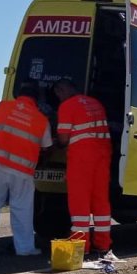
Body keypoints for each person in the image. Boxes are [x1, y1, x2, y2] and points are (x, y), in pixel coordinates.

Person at [0, 82, 51, 256]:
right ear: (36, 99)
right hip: (23, 171)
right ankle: (24, 248)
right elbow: (47, 145)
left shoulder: (2, 107)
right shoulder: (41, 119)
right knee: (22, 209)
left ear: (18, 94)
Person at [52, 79, 117, 261]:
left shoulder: (67, 106)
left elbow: (64, 138)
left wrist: (55, 143)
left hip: (82, 157)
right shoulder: (95, 103)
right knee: (100, 202)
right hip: (103, 155)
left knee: (79, 201)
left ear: (61, 91)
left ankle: (81, 246)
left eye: (58, 94)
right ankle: (103, 244)